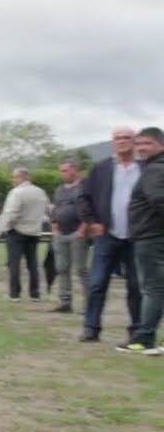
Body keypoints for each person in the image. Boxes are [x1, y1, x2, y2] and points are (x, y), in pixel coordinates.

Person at [77, 126, 144, 343]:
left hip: (137, 237)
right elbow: (83, 197)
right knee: (97, 283)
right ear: (112, 142)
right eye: (118, 138)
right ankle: (91, 327)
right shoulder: (101, 168)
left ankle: (136, 329)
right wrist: (92, 222)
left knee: (136, 286)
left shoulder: (146, 168)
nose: (122, 141)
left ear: (135, 142)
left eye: (127, 138)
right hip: (107, 235)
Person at [122, 127, 164, 354]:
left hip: (151, 236)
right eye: (138, 144)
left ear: (160, 144)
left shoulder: (154, 170)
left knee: (153, 288)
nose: (140, 148)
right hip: (153, 235)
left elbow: (159, 199)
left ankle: (144, 338)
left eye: (146, 143)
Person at [0, 167, 51, 302]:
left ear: (21, 177)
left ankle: (14, 294)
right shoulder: (40, 192)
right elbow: (48, 209)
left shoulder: (17, 192)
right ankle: (35, 293)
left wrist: (3, 228)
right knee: (32, 263)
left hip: (17, 231)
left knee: (13, 263)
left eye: (14, 177)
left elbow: (12, 213)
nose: (12, 180)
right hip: (34, 232)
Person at [49, 159, 88, 313]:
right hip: (61, 234)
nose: (62, 173)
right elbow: (55, 209)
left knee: (81, 270)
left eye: (65, 170)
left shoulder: (84, 188)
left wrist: (82, 230)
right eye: (61, 171)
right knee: (62, 268)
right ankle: (65, 302)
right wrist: (54, 227)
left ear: (75, 170)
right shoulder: (59, 190)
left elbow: (89, 209)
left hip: (77, 233)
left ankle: (89, 303)